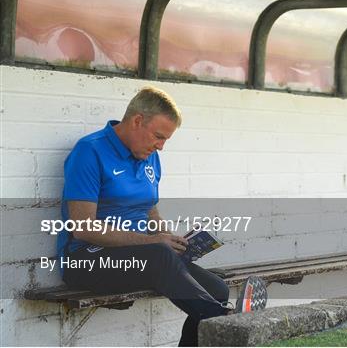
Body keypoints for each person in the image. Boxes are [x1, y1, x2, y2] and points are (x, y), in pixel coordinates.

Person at [56, 86, 266, 346]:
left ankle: (220, 312)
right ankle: (226, 319)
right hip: (87, 261)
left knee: (218, 289)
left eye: (166, 139)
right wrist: (154, 243)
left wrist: (166, 236)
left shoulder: (149, 156)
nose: (161, 146)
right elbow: (83, 228)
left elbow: (149, 207)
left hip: (146, 258)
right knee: (159, 255)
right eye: (158, 136)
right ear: (137, 121)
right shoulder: (89, 151)